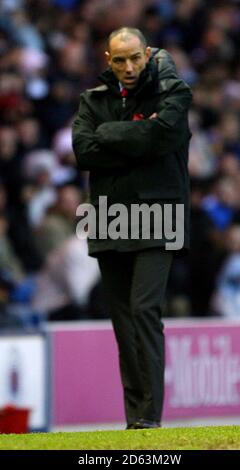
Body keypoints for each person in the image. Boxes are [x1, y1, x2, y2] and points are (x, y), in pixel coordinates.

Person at [72, 27, 192, 429]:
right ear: (109, 59)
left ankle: (150, 419)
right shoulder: (92, 100)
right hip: (108, 218)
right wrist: (137, 138)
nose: (128, 66)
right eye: (119, 59)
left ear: (149, 55)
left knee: (143, 311)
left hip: (159, 218)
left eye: (135, 57)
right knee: (124, 322)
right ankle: (137, 420)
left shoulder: (173, 96)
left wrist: (110, 135)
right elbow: (84, 151)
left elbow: (162, 137)